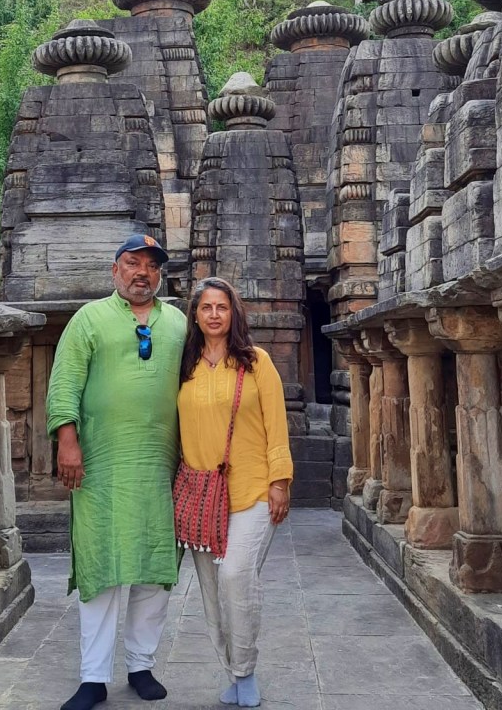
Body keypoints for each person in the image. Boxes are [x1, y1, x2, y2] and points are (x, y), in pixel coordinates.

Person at [46, 234, 187, 710]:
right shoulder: (89, 319)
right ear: (116, 270)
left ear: (160, 275)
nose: (141, 272)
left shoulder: (178, 324)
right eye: (132, 263)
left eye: (150, 265)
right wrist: (68, 442)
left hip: (161, 465)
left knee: (153, 566)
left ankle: (141, 665)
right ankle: (92, 677)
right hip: (100, 466)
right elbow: (64, 381)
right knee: (102, 565)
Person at [177, 277, 293, 709]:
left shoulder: (256, 362)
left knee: (235, 577)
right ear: (195, 314)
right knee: (210, 591)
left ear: (233, 312)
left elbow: (277, 425)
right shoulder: (184, 367)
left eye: (221, 307)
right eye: (205, 307)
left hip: (253, 490)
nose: (213, 315)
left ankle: (245, 670)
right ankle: (232, 669)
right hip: (200, 494)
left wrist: (280, 481)